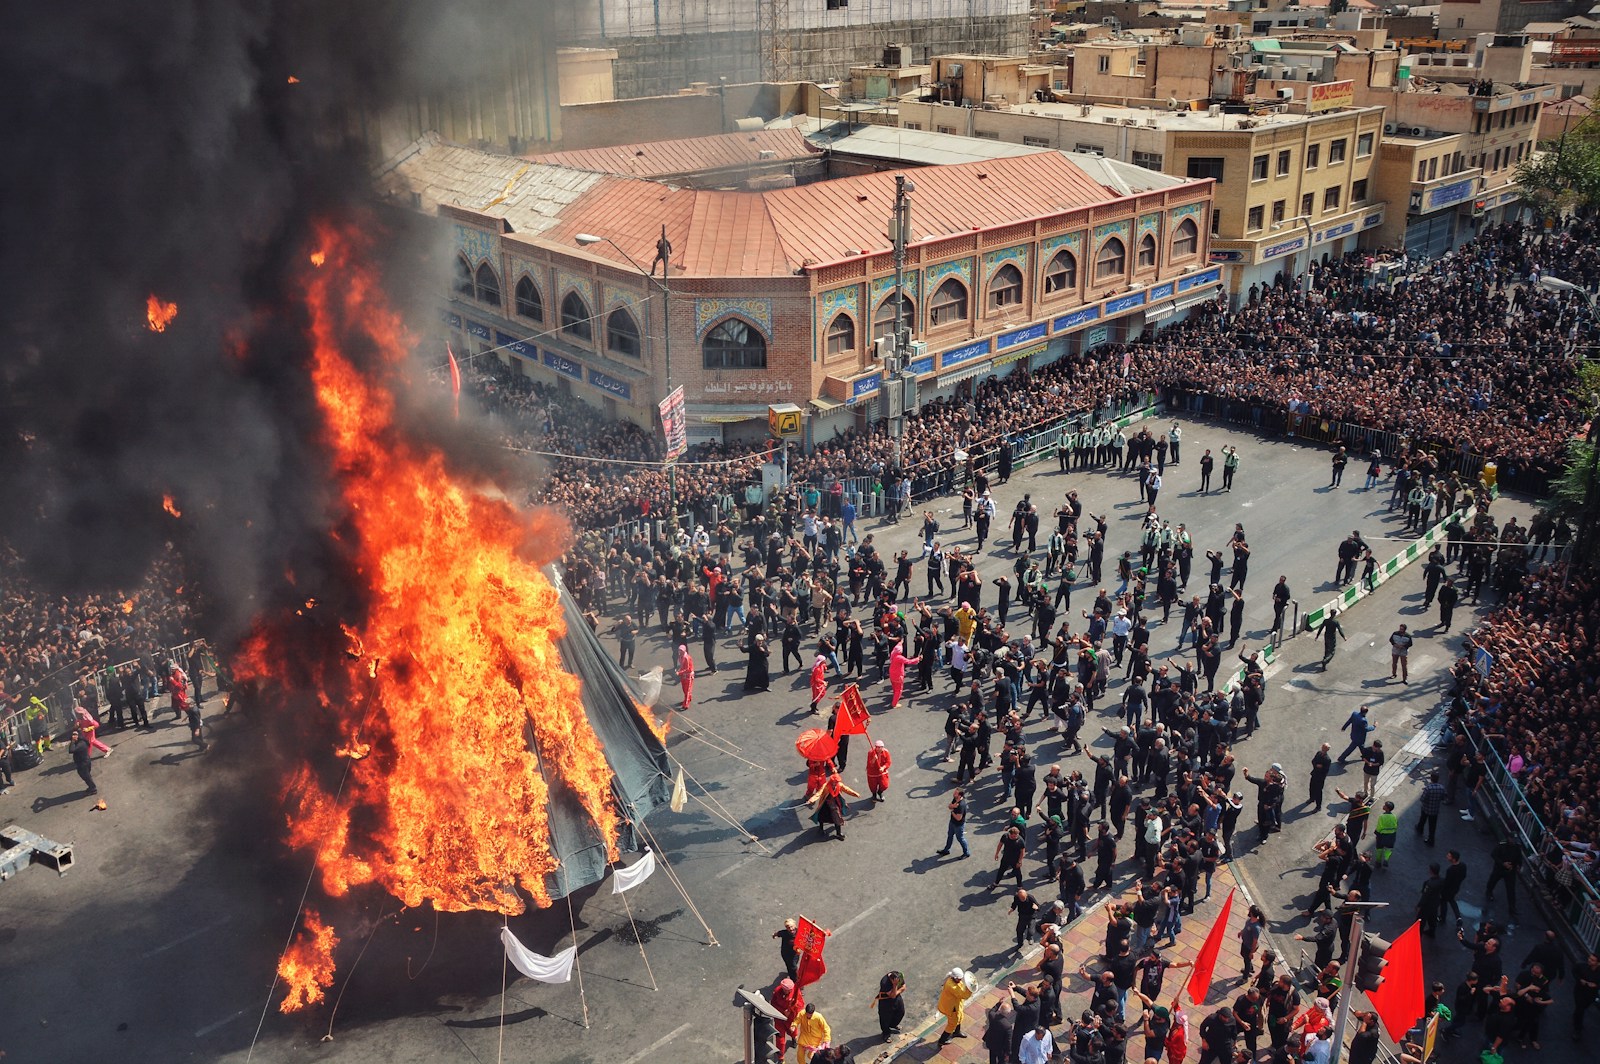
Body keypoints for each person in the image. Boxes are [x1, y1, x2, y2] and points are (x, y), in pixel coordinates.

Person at [937, 969, 976, 1046]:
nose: (960, 980)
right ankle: (942, 1040)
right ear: (954, 977)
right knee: (952, 1024)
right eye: (959, 979)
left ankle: (957, 1032)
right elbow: (963, 995)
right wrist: (970, 990)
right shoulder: (951, 986)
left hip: (956, 1004)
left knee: (960, 1017)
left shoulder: (954, 980)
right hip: (951, 1008)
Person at [871, 971, 906, 1042]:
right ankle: (886, 1033)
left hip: (897, 998)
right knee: (885, 1019)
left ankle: (893, 1024)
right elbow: (892, 996)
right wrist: (895, 985)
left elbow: (904, 987)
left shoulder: (898, 976)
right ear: (892, 980)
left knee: (901, 1012)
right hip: (885, 1002)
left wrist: (896, 992)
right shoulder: (885, 982)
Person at [938, 787, 971, 858]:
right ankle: (946, 850)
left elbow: (958, 818)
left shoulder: (961, 805)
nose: (954, 794)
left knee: (960, 838)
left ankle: (966, 852)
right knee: (950, 835)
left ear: (960, 795)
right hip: (952, 822)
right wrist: (952, 807)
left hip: (958, 825)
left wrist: (952, 811)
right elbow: (949, 806)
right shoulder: (955, 799)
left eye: (955, 793)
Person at [69, 728, 97, 796]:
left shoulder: (81, 744)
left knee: (86, 776)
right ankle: (91, 787)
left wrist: (72, 741)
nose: (73, 736)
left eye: (75, 734)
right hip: (83, 762)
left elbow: (71, 750)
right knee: (87, 776)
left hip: (83, 764)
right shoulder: (80, 741)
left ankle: (93, 789)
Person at [1308, 743, 1332, 812]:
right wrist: (1316, 765)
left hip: (1320, 778)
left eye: (1324, 748)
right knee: (1311, 787)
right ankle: (1312, 798)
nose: (1323, 749)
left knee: (1318, 792)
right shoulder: (1318, 753)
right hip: (1314, 774)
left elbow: (1326, 770)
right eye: (1322, 747)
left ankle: (1318, 807)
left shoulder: (1327, 759)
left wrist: (1321, 767)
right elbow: (1313, 761)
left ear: (1327, 750)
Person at [674, 643, 695, 711]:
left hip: (688, 676)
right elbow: (682, 666)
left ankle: (686, 704)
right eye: (679, 650)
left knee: (687, 690)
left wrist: (679, 672)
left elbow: (688, 669)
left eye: (681, 650)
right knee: (685, 690)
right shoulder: (680, 657)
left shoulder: (687, 658)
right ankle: (688, 698)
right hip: (683, 676)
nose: (679, 652)